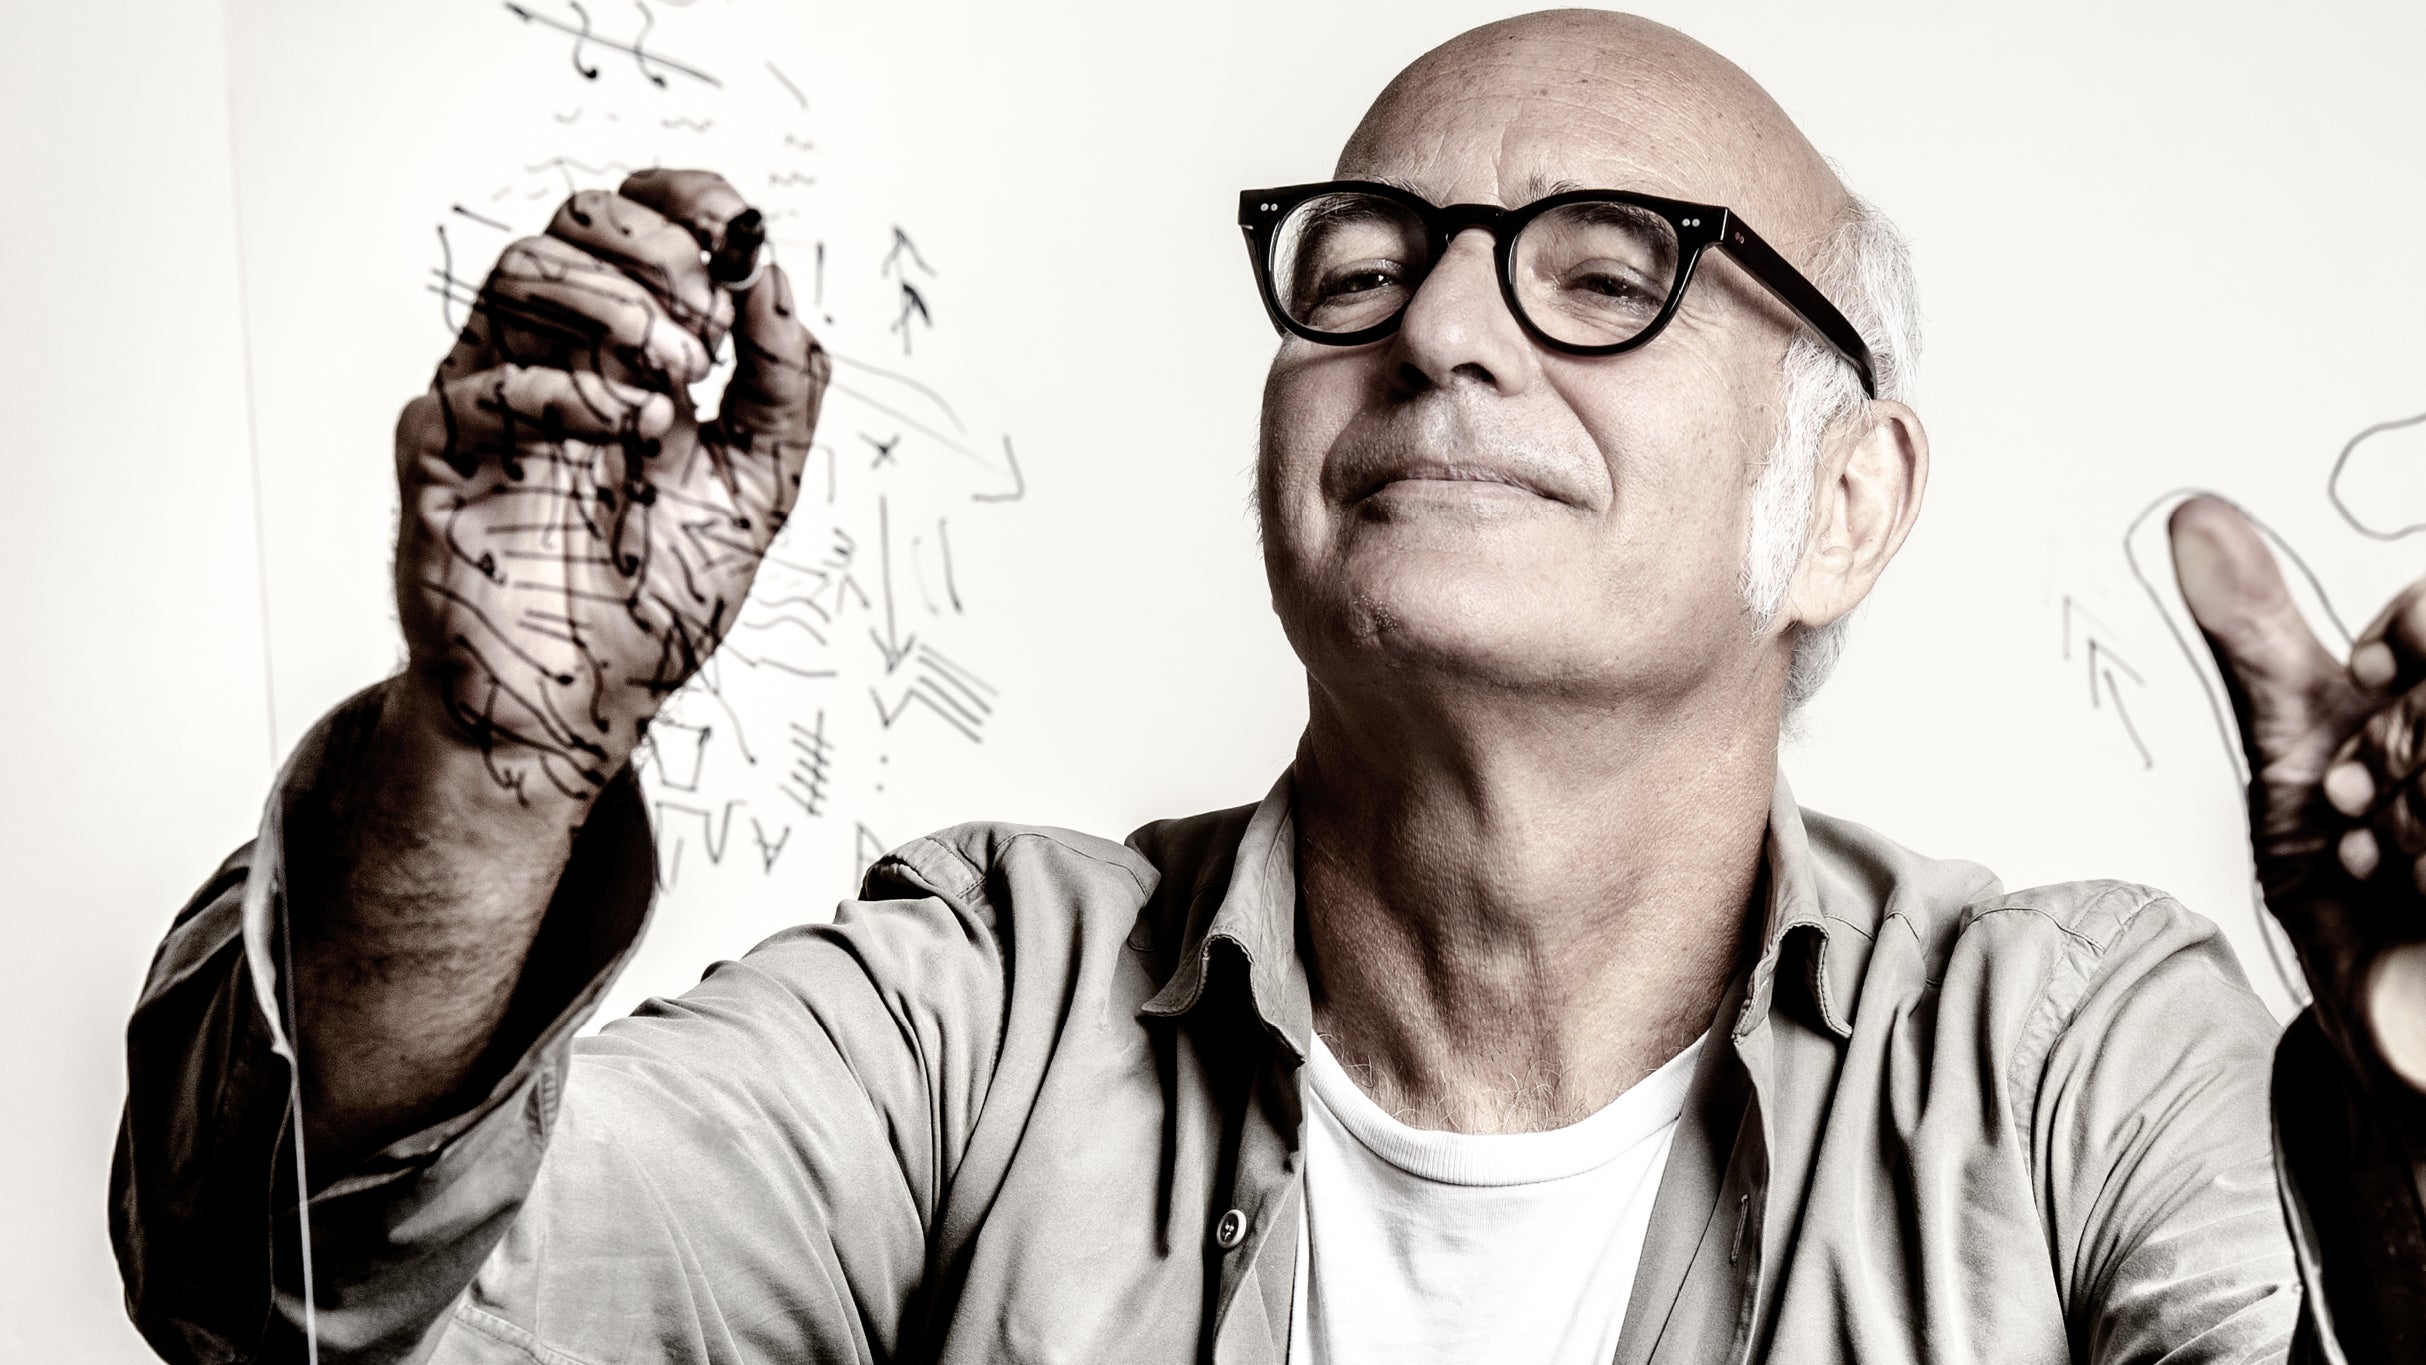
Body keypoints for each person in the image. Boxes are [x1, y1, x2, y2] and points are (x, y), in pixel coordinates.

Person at [113, 10, 2426, 1363]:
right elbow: (311, 1296)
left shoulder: (2068, 1056)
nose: (1439, 327)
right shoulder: (979, 1009)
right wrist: (491, 764)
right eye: (1365, 259)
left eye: (1604, 271)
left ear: (1842, 501)